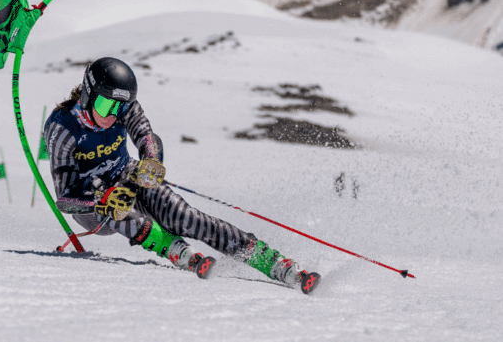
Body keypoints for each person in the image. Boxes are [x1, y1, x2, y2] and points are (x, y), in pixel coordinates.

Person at [43, 57, 314, 289]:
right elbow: (65, 197)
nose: (113, 115)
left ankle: (271, 261)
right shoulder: (63, 127)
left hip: (126, 176)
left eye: (120, 108)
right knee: (119, 210)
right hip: (91, 204)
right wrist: (100, 201)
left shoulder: (124, 106)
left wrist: (151, 162)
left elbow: (147, 136)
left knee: (186, 216)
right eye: (105, 106)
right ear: (88, 95)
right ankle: (173, 248)